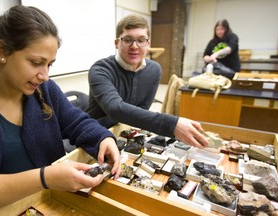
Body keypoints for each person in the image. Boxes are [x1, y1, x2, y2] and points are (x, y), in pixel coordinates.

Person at [0, 5, 121, 209]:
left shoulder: (45, 89)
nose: (45, 75)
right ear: (2, 50)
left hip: (52, 204)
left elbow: (76, 122)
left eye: (49, 64)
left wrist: (102, 138)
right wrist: (45, 177)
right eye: (36, 62)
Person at [86, 14, 209, 149]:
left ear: (148, 44)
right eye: (127, 40)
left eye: (141, 40)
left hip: (126, 132)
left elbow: (143, 108)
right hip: (97, 136)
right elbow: (115, 108)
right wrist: (172, 124)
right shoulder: (100, 70)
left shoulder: (154, 70)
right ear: (117, 43)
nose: (134, 46)